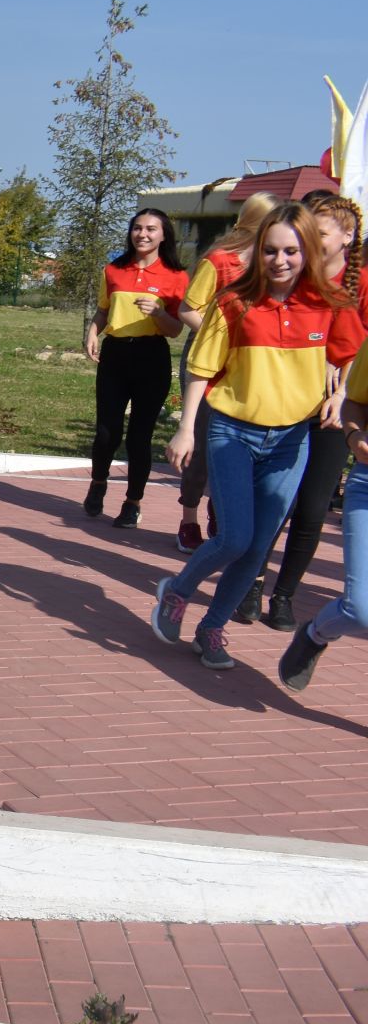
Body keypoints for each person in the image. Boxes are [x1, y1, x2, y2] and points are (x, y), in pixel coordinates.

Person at [151, 203, 362, 670]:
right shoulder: (234, 302)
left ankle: (212, 629)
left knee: (259, 544)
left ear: (307, 251)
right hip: (233, 432)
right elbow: (201, 369)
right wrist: (186, 429)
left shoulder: (330, 303)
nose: (281, 260)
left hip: (290, 442)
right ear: (258, 251)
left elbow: (351, 353)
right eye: (270, 250)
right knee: (235, 539)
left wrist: (340, 392)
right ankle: (178, 591)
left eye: (291, 250)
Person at [251, 192, 365, 630]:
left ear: (346, 239)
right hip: (288, 405)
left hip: (338, 410)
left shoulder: (352, 288)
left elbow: (356, 349)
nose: (306, 243)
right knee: (277, 501)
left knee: (314, 507)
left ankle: (285, 595)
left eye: (316, 234)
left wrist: (343, 392)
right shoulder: (291, 284)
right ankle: (252, 582)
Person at [173, 194, 278, 553]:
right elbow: (188, 309)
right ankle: (189, 519)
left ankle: (221, 514)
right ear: (256, 222)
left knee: (231, 443)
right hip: (207, 359)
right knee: (200, 443)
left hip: (246, 365)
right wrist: (221, 336)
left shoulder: (272, 265)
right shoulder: (219, 260)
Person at [82, 209, 188, 528]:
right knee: (106, 432)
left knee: (139, 437)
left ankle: (132, 503)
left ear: (163, 235)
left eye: (151, 229)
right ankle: (98, 483)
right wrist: (91, 331)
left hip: (151, 357)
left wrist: (158, 312)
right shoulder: (114, 269)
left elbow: (175, 330)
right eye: (137, 228)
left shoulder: (177, 276)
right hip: (115, 356)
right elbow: (103, 311)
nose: (143, 234)